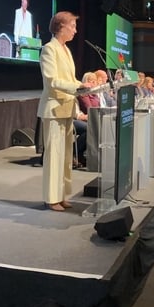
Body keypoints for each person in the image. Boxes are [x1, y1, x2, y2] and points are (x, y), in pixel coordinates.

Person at [37, 11, 89, 212]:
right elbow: (52, 81)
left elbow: (70, 79)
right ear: (61, 26)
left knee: (66, 156)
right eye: (73, 26)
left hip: (67, 109)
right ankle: (51, 198)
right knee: (54, 156)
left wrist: (84, 85)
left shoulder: (65, 50)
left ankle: (61, 195)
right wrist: (77, 87)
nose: (75, 30)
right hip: (54, 109)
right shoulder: (49, 49)